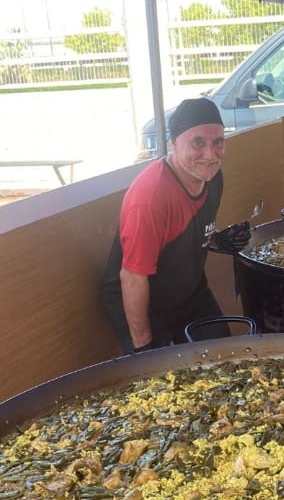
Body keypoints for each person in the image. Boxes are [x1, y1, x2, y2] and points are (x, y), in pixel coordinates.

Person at [101, 98, 250, 353]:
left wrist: (218, 239)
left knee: (224, 358)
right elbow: (133, 278)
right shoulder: (151, 198)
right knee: (163, 382)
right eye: (198, 143)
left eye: (218, 143)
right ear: (174, 143)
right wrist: (144, 349)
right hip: (143, 298)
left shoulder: (212, 178)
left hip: (188, 289)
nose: (210, 155)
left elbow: (187, 229)